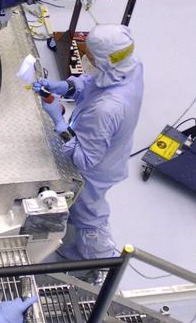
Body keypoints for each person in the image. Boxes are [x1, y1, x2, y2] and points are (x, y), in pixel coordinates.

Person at [35, 23, 143, 261]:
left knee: (89, 215)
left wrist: (59, 121)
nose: (87, 57)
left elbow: (84, 160)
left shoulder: (106, 110)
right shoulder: (131, 67)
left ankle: (97, 262)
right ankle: (77, 246)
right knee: (80, 211)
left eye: (91, 55)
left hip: (94, 173)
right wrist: (68, 87)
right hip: (113, 151)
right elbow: (96, 83)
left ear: (105, 59)